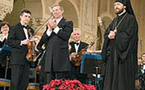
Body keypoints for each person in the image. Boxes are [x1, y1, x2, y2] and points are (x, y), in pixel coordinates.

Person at [101, 0, 138, 90]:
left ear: (124, 6)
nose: (115, 7)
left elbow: (129, 36)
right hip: (112, 56)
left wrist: (116, 36)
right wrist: (109, 35)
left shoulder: (130, 19)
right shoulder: (114, 21)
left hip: (124, 57)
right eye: (114, 5)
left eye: (118, 4)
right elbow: (107, 33)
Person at [37, 5, 73, 84]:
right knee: (49, 82)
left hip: (60, 57)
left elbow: (66, 36)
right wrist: (49, 30)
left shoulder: (68, 23)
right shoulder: (49, 24)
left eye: (57, 10)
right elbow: (43, 40)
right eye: (53, 10)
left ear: (62, 11)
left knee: (59, 83)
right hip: (50, 57)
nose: (55, 12)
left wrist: (56, 28)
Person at [7, 9, 34, 90]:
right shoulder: (14, 28)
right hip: (17, 59)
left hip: (27, 58)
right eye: (25, 16)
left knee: (24, 83)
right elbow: (9, 41)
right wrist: (22, 42)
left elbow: (31, 45)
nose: (27, 18)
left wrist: (34, 42)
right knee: (15, 82)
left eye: (29, 17)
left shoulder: (31, 30)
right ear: (20, 17)